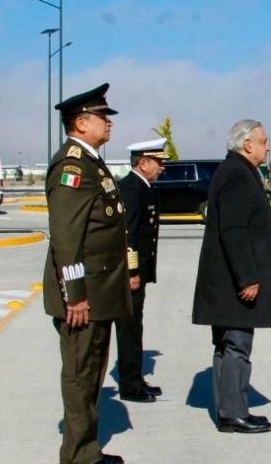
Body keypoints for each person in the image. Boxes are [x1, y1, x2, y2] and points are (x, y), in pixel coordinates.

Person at [42, 82, 130, 464]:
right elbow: (67, 236)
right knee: (80, 376)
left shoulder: (92, 162)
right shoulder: (73, 166)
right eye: (102, 117)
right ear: (80, 122)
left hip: (100, 290)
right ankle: (78, 457)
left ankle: (87, 451)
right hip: (85, 295)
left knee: (92, 373)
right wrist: (74, 294)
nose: (109, 123)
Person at [192, 119, 271, 434]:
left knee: (226, 343)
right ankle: (233, 412)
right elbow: (234, 231)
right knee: (236, 344)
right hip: (234, 280)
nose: (267, 147)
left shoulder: (236, 171)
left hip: (225, 278)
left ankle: (228, 409)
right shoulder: (237, 174)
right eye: (263, 141)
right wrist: (247, 277)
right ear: (247, 144)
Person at [114, 138, 168, 403]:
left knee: (135, 326)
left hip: (138, 273)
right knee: (129, 328)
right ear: (143, 163)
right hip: (130, 275)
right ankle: (129, 384)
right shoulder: (132, 189)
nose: (162, 168)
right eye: (159, 162)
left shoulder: (141, 187)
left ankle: (135, 378)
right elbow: (129, 234)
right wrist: (132, 272)